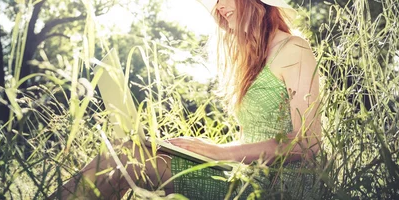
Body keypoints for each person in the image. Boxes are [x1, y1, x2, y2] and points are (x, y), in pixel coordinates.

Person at [51, 0, 321, 199]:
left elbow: (307, 145)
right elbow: (251, 141)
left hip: (277, 185)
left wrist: (220, 153)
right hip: (243, 172)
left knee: (125, 159)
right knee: (122, 160)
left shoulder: (293, 49)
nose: (219, 7)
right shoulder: (254, 58)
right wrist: (203, 149)